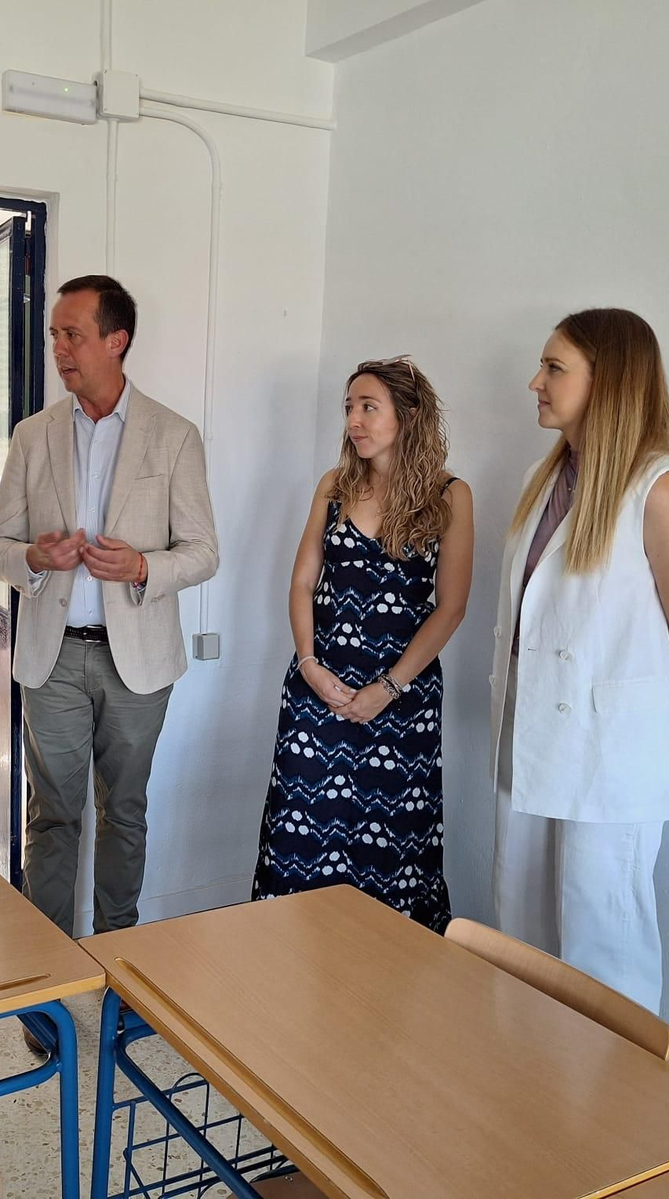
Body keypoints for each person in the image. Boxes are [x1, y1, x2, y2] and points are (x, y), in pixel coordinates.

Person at [491, 308, 669, 1013]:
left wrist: (663, 745)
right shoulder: (546, 478)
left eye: (554, 367)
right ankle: (532, 1101)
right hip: (532, 741)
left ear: (608, 380)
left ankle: (610, 1114)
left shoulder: (659, 487)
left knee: (603, 947)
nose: (536, 381)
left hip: (614, 760)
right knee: (523, 937)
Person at [0, 274, 218, 937]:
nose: (59, 347)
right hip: (52, 660)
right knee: (53, 815)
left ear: (116, 341)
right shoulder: (32, 436)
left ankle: (121, 962)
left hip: (136, 662)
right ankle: (47, 971)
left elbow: (204, 552)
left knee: (126, 813)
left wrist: (144, 566)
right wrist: (34, 558)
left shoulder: (174, 436)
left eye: (72, 334)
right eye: (55, 333)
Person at [253, 357, 472, 932]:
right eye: (349, 407)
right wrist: (308, 663)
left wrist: (390, 687)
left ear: (409, 415)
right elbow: (303, 581)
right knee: (298, 835)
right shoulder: (335, 485)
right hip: (318, 689)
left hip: (404, 703)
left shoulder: (450, 495)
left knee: (394, 849)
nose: (354, 419)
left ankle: (383, 1000)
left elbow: (451, 607)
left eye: (368, 406)